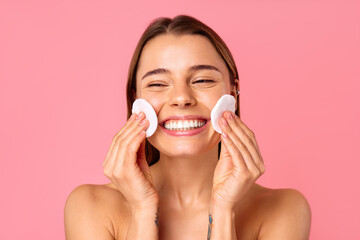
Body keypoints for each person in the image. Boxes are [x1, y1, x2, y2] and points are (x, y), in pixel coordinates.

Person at [64, 15, 311, 240]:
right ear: (135, 100)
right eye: (158, 84)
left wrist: (223, 210)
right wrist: (142, 210)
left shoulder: (285, 209)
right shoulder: (90, 206)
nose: (181, 98)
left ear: (233, 91)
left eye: (202, 80)